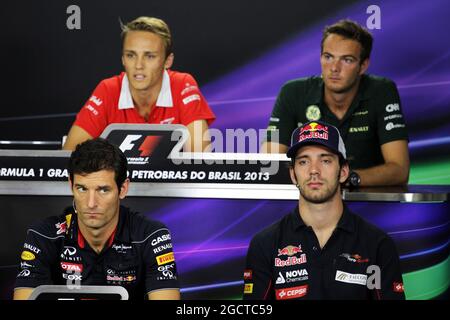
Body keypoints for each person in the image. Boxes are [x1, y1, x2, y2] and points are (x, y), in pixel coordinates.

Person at [244, 120, 405, 300]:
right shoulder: (265, 245)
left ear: (343, 172)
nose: (314, 170)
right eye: (304, 161)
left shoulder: (377, 245)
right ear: (292, 174)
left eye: (325, 160)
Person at [14, 138, 180, 300]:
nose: (91, 203)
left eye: (103, 190)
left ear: (123, 189)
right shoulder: (44, 235)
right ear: (71, 185)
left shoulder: (150, 236)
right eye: (82, 189)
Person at [262, 19, 409, 187]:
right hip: (310, 200)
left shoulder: (382, 91)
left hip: (371, 205)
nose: (334, 68)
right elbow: (270, 164)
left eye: (347, 60)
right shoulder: (293, 92)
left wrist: (347, 178)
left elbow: (400, 170)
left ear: (363, 66)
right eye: (328, 57)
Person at [63, 16, 215, 152]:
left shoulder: (182, 84)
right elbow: (69, 156)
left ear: (168, 61)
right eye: (131, 55)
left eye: (149, 56)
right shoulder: (108, 89)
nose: (138, 65)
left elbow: (200, 157)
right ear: (123, 59)